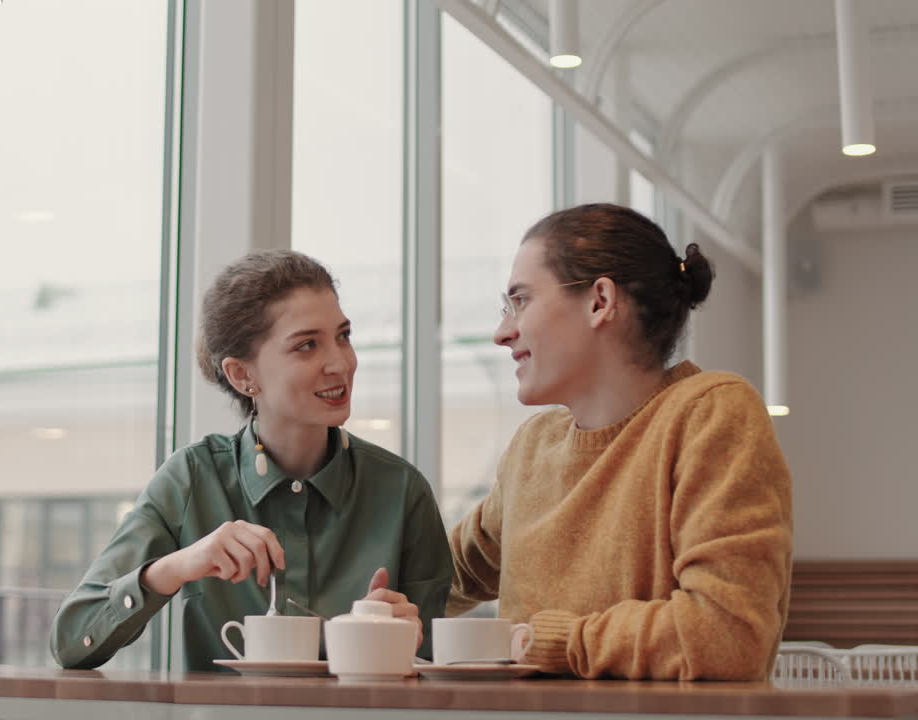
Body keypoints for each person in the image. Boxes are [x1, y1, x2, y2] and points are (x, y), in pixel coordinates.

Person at [52, 249, 452, 671]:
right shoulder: (191, 480)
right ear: (242, 375)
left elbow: (434, 670)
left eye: (343, 336)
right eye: (307, 345)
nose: (340, 363)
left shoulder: (402, 490)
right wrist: (177, 567)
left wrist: (408, 640)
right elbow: (71, 641)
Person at [447, 203, 793, 681]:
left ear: (600, 301)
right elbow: (439, 572)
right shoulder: (533, 446)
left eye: (521, 301)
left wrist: (547, 642)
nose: (502, 332)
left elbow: (727, 635)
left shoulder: (709, 413)